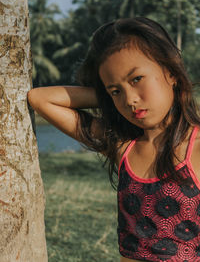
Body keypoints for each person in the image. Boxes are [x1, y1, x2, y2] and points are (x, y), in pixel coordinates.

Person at [27, 17, 200, 262]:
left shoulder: (196, 149)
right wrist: (108, 99)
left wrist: (115, 93)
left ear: (171, 72)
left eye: (136, 79)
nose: (130, 100)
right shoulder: (123, 146)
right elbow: (40, 99)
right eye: (116, 91)